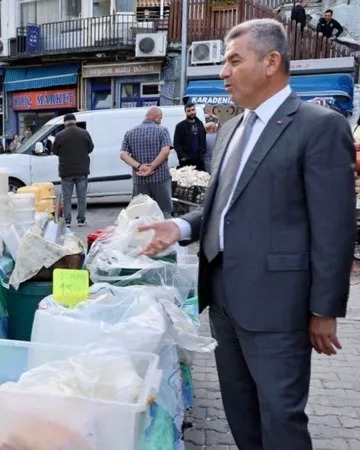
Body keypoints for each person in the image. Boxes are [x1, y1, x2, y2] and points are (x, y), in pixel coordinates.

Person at [138, 19, 355, 450]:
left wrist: (325, 309)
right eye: (224, 62)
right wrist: (179, 226)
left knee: (281, 415)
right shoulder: (232, 130)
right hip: (223, 300)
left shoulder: (318, 126)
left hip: (279, 307)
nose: (223, 72)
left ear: (271, 62)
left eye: (234, 61)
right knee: (240, 411)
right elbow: (224, 207)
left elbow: (335, 226)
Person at [119, 107, 174, 218]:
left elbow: (123, 155)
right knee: (165, 211)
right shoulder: (162, 131)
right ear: (157, 117)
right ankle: (163, 234)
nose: (161, 121)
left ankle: (141, 234)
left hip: (139, 180)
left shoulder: (130, 133)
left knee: (139, 213)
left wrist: (139, 166)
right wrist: (151, 166)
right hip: (160, 178)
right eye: (161, 118)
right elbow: (165, 151)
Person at [53, 113, 94, 226]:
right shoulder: (84, 133)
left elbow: (55, 151)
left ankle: (67, 221)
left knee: (67, 197)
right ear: (75, 121)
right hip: (82, 170)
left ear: (65, 123)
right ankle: (81, 220)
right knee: (82, 197)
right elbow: (90, 148)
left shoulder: (60, 136)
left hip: (66, 171)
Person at [174, 103, 207, 171]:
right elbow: (176, 143)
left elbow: (204, 139)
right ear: (185, 112)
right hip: (186, 161)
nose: (191, 112)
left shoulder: (200, 124)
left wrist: (203, 154)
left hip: (199, 160)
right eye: (189, 111)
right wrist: (183, 157)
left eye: (193, 110)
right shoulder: (180, 126)